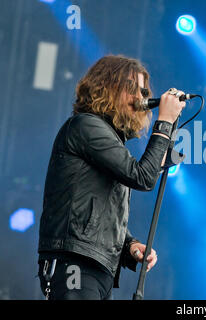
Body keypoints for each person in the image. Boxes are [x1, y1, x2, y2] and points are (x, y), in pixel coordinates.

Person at [37, 55, 185, 300]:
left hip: (99, 267)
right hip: (75, 263)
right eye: (130, 89)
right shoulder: (86, 126)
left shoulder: (111, 139)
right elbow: (142, 177)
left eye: (143, 91)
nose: (140, 97)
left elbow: (95, 211)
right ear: (106, 87)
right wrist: (165, 121)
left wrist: (129, 246)